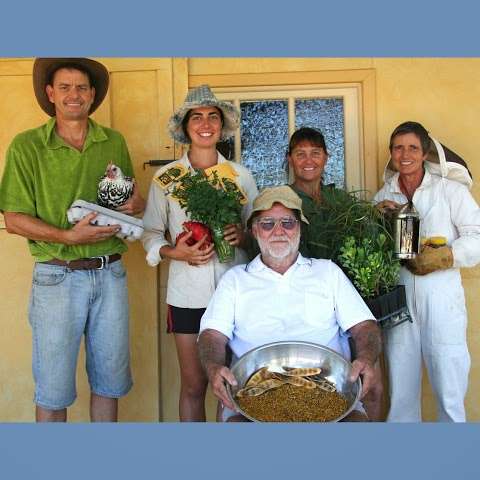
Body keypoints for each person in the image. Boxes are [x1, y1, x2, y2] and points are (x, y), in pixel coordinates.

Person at [0, 58, 145, 422]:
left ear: (92, 94)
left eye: (81, 87)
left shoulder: (112, 141)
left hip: (110, 274)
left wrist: (135, 205)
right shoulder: (27, 146)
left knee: (109, 385)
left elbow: (124, 203)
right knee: (53, 390)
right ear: (50, 94)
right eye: (64, 87)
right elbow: (13, 219)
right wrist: (67, 235)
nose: (74, 95)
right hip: (56, 277)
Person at [198, 185, 382, 422]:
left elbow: (365, 327)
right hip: (251, 394)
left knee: (358, 428)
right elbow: (211, 336)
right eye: (267, 224)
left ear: (300, 229)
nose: (278, 231)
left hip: (329, 389)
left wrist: (366, 359)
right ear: (254, 230)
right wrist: (214, 368)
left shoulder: (328, 272)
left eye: (287, 222)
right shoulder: (235, 280)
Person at [142, 85, 258, 421]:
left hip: (235, 293)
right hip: (186, 297)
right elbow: (149, 233)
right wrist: (175, 252)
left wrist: (245, 235)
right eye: (197, 117)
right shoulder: (167, 179)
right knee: (194, 386)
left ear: (221, 127)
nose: (205, 123)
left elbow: (262, 232)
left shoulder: (241, 177)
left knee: (235, 387)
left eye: (212, 117)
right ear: (185, 126)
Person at [374, 121, 480, 422]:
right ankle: (407, 463)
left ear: (425, 153)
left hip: (442, 298)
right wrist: (378, 221)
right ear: (391, 153)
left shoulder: (450, 191)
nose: (404, 154)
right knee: (401, 392)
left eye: (412, 147)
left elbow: (477, 237)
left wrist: (445, 256)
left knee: (449, 385)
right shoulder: (383, 196)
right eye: (398, 147)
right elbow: (374, 251)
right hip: (399, 299)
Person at [287, 127, 385, 421]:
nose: (308, 160)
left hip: (349, 300)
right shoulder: (284, 200)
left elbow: (363, 237)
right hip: (309, 304)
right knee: (318, 387)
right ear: (289, 159)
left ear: (326, 158)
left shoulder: (339, 200)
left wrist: (377, 215)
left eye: (315, 153)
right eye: (300, 153)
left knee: (373, 385)